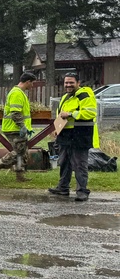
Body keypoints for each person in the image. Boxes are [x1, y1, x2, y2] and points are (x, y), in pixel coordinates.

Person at [49, 72, 99, 202]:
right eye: (66, 82)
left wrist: (71, 113)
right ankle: (63, 187)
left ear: (78, 83)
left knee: (79, 164)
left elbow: (89, 113)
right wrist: (57, 129)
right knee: (64, 162)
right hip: (65, 135)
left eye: (71, 82)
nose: (68, 85)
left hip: (80, 134)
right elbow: (61, 115)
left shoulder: (84, 95)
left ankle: (82, 191)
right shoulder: (66, 97)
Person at [0, 71, 36, 184]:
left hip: (16, 128)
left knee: (23, 153)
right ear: (28, 82)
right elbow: (15, 113)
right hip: (14, 128)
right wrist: (22, 126)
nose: (32, 86)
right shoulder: (17, 93)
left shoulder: (19, 92)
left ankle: (20, 175)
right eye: (32, 83)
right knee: (19, 152)